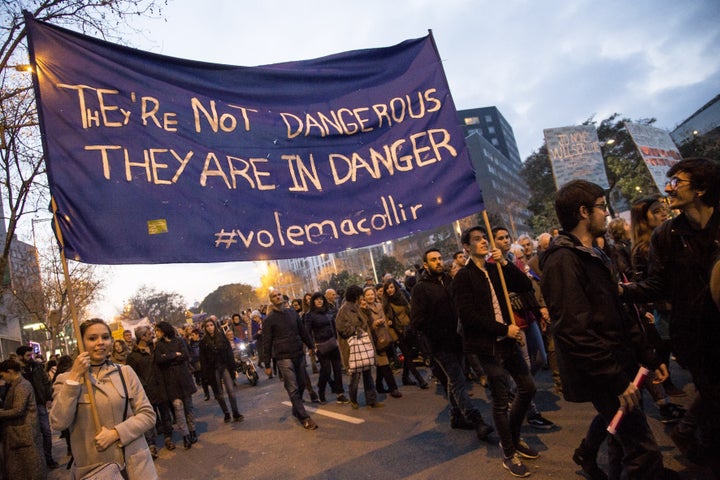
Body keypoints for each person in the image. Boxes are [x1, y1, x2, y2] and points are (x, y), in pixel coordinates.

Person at [541, 179, 669, 480]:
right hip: (605, 373)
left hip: (618, 364)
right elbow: (574, 330)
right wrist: (614, 379)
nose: (607, 213)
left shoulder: (593, 255)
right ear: (584, 212)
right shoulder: (563, 261)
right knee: (643, 451)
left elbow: (617, 314)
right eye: (601, 207)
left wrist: (648, 358)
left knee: (620, 443)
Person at [621, 158, 720, 476]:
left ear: (702, 188)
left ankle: (691, 434)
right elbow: (656, 284)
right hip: (695, 336)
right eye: (669, 181)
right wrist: (621, 291)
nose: (668, 188)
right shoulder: (665, 235)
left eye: (677, 181)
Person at [453, 226, 538, 478]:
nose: (483, 242)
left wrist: (507, 263)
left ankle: (512, 437)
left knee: (528, 388)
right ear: (466, 247)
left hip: (508, 341)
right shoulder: (463, 277)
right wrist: (504, 328)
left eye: (484, 238)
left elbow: (525, 285)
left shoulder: (495, 268)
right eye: (477, 240)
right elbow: (468, 317)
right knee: (500, 401)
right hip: (488, 346)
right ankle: (509, 452)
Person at [50, 318, 157, 479]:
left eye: (105, 337)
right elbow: (59, 422)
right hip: (97, 470)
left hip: (136, 466)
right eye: (92, 338)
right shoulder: (66, 380)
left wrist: (116, 433)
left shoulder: (125, 372)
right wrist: (74, 377)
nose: (100, 342)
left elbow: (148, 415)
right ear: (81, 342)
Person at [410, 248, 494, 442]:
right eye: (433, 260)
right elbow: (417, 321)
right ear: (426, 264)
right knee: (457, 380)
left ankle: (456, 416)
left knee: (453, 380)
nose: (438, 262)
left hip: (458, 340)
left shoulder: (448, 280)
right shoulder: (420, 288)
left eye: (440, 258)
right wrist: (436, 330)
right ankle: (476, 420)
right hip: (439, 344)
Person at [262, 289, 319, 430]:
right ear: (271, 300)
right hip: (283, 357)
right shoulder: (269, 320)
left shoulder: (292, 313)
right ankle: (304, 417)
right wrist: (267, 364)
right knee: (292, 387)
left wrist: (311, 346)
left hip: (298, 353)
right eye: (274, 296)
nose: (277, 297)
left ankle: (296, 407)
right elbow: (267, 342)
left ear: (282, 297)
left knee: (301, 384)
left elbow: (303, 331)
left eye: (279, 294)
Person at [126, 325, 175, 456]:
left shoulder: (156, 349)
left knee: (165, 414)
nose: (152, 335)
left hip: (161, 387)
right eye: (148, 334)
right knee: (149, 418)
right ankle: (151, 444)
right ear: (142, 337)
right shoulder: (133, 356)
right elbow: (133, 376)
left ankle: (168, 438)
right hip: (146, 391)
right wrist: (143, 386)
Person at [336, 285, 384, 410]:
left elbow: (365, 322)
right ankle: (353, 399)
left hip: (363, 345)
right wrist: (356, 330)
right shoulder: (344, 310)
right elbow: (341, 328)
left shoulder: (358, 307)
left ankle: (372, 400)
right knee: (355, 377)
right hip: (353, 348)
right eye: (361, 295)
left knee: (368, 375)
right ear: (356, 296)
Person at [0, 358, 47, 480]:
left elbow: (18, 410)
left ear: (10, 371)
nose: (3, 378)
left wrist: (1, 413)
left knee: (28, 468)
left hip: (24, 433)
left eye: (2, 375)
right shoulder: (15, 385)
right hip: (21, 434)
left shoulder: (22, 386)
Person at [154, 321, 197, 449]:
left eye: (158, 330)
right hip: (170, 382)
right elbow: (159, 360)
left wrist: (168, 358)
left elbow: (184, 356)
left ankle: (192, 430)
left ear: (164, 330)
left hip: (183, 379)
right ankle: (185, 435)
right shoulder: (159, 345)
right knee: (178, 408)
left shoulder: (179, 341)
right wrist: (174, 355)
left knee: (188, 408)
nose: (156, 333)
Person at [15, 345, 56, 469]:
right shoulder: (16, 369)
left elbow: (46, 382)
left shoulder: (37, 366)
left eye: (31, 355)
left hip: (39, 404)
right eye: (28, 355)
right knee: (33, 435)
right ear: (20, 356)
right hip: (26, 407)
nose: (30, 357)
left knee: (47, 432)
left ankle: (48, 458)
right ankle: (38, 461)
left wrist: (48, 398)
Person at [383, 277, 428, 389]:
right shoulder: (386, 303)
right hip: (399, 333)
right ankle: (420, 379)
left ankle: (405, 377)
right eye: (387, 288)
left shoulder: (402, 297)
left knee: (420, 352)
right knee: (407, 356)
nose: (390, 290)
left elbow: (410, 311)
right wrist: (395, 338)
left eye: (392, 287)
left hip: (410, 329)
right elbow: (388, 322)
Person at [304, 292, 349, 404]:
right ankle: (321, 390)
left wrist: (337, 340)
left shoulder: (328, 312)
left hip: (333, 343)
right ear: (313, 301)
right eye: (316, 299)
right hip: (321, 345)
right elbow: (307, 332)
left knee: (337, 369)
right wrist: (312, 346)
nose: (319, 301)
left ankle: (340, 393)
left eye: (321, 299)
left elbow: (334, 327)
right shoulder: (310, 315)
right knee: (326, 370)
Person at [199, 316, 243, 423]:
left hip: (224, 366)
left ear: (215, 326)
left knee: (231, 391)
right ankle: (226, 412)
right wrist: (205, 375)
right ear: (205, 328)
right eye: (207, 326)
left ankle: (235, 412)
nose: (210, 328)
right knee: (218, 394)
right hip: (213, 369)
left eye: (211, 325)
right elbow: (203, 359)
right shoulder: (203, 342)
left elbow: (229, 353)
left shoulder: (222, 337)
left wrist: (233, 368)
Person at [362, 286, 401, 398]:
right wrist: (374, 324)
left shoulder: (379, 306)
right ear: (364, 297)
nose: (370, 297)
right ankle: (393, 388)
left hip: (385, 337)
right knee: (384, 364)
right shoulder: (364, 309)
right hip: (374, 339)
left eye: (372, 294)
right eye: (367, 295)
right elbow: (365, 325)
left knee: (382, 364)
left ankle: (378, 385)